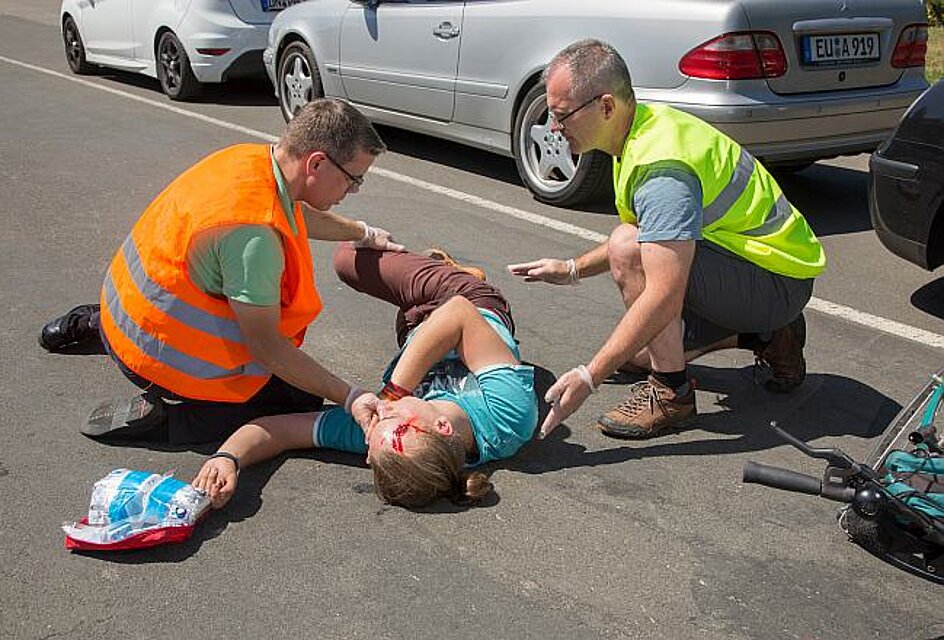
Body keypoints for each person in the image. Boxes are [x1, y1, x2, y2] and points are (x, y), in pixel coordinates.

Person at [508, 39, 826, 440]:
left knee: (629, 254)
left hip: (776, 282)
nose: (554, 128)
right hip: (751, 270)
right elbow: (657, 236)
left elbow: (663, 293)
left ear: (605, 106)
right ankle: (766, 335)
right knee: (639, 353)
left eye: (561, 115)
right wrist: (571, 270)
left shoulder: (662, 170)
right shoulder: (639, 127)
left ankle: (671, 393)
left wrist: (588, 377)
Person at [39, 98, 403, 445]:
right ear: (317, 164)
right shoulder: (254, 238)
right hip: (156, 356)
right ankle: (168, 420)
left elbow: (298, 213)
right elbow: (265, 347)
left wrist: (363, 233)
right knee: (295, 398)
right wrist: (350, 395)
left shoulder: (248, 163)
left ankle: (86, 324)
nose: (354, 190)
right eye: (353, 178)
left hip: (122, 316)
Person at [192, 244, 538, 509]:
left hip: (414, 330)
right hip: (467, 303)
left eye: (374, 437)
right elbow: (458, 313)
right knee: (351, 258)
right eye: (398, 423)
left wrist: (228, 458)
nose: (383, 412)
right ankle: (456, 272)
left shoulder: (379, 436)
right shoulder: (508, 417)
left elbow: (278, 430)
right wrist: (392, 392)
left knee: (349, 257)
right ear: (443, 428)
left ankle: (420, 280)